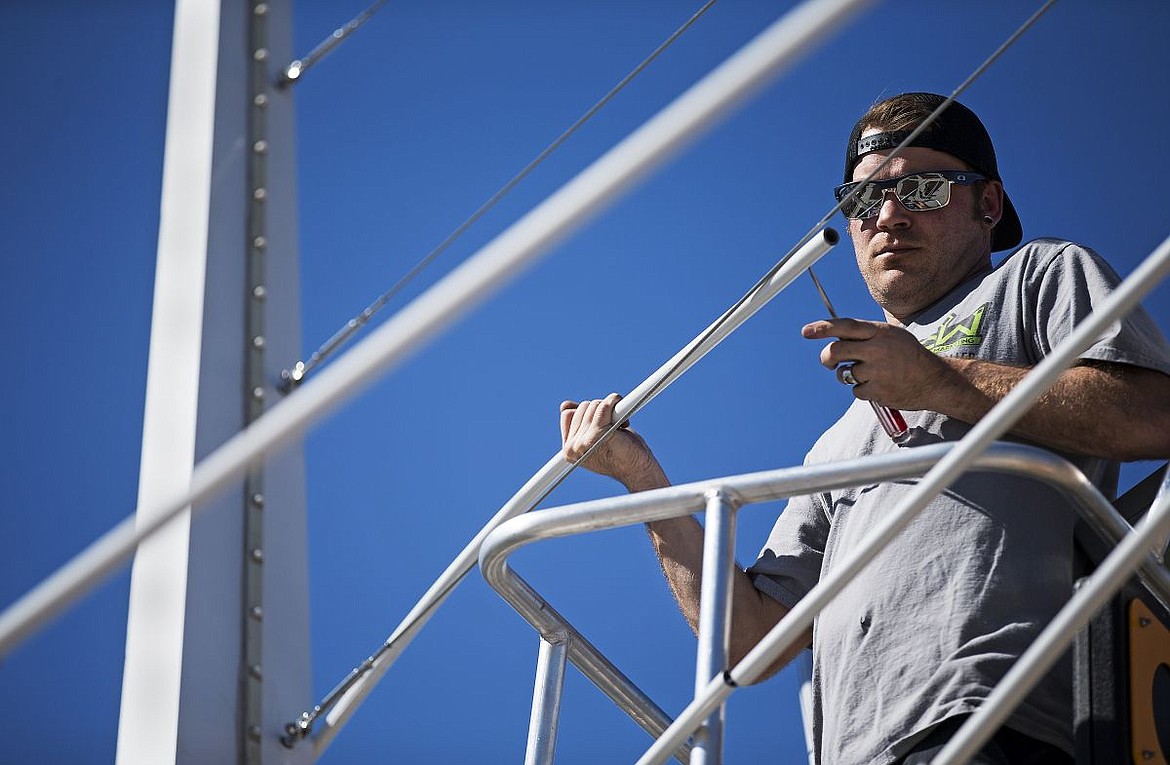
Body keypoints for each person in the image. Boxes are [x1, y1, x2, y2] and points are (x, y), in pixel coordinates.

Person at [558, 92, 1170, 764]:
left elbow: (1153, 415)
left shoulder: (1039, 277)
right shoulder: (838, 444)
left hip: (994, 719)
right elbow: (746, 642)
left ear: (987, 206)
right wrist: (643, 481)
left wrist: (936, 380)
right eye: (862, 200)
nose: (887, 215)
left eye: (924, 188)